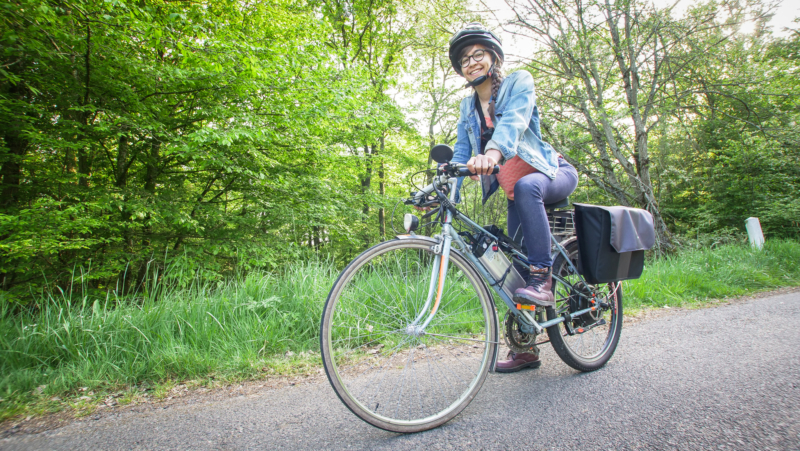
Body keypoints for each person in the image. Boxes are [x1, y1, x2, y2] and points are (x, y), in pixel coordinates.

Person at [448, 23, 579, 373]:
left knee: (526, 188)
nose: (471, 62)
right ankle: (525, 349)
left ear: (493, 58)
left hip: (552, 175)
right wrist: (446, 192)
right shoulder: (467, 108)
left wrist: (491, 154)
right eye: (464, 59)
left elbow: (514, 124)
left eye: (478, 54)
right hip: (516, 196)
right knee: (512, 273)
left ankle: (545, 278)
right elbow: (462, 151)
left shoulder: (519, 82)